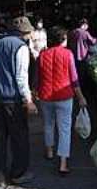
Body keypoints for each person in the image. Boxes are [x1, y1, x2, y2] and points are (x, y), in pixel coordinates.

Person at [0, 16, 37, 187]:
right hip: (13, 99)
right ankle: (18, 173)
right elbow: (21, 77)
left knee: (0, 137)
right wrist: (28, 100)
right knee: (19, 137)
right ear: (24, 32)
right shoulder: (21, 47)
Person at [36, 27, 87, 175]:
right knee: (64, 129)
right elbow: (74, 79)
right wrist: (81, 97)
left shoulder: (42, 55)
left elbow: (37, 78)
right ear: (62, 39)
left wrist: (34, 93)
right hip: (64, 96)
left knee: (48, 124)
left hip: (45, 95)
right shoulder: (68, 54)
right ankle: (63, 163)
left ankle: (49, 151)